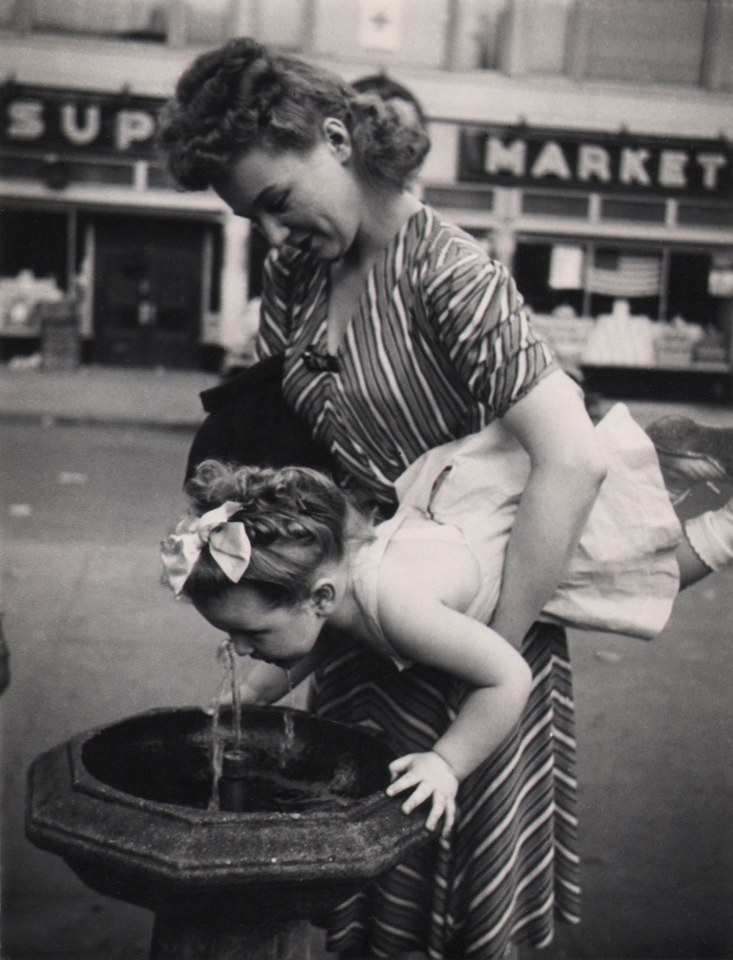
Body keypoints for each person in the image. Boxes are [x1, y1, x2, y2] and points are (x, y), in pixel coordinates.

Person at [154, 37, 714, 959]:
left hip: (468, 630)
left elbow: (570, 460)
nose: (274, 231)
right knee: (355, 901)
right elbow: (305, 444)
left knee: (443, 899)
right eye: (254, 216)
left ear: (335, 137)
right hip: (356, 613)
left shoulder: (448, 274)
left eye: (278, 200)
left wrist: (487, 644)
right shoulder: (297, 272)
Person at [160, 417, 733, 831]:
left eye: (252, 635)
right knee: (626, 553)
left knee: (631, 570)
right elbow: (319, 639)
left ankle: (725, 527)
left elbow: (507, 676)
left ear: (320, 597)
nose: (237, 647)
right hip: (451, 525)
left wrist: (446, 763)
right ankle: (671, 450)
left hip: (503, 552)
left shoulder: (395, 610)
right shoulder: (324, 589)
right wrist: (255, 692)